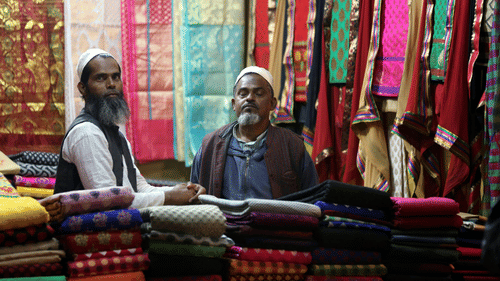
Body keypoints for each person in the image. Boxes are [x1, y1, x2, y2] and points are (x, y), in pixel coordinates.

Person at [54, 48, 205, 208]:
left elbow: (139, 188)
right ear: (83, 88)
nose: (111, 84)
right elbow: (109, 201)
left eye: (116, 77)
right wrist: (168, 197)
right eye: (100, 78)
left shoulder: (116, 135)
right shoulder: (86, 133)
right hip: (81, 230)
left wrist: (185, 191)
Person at [190, 66, 319, 200]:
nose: (250, 98)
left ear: (272, 103)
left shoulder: (292, 146)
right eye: (243, 94)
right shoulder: (211, 145)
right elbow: (193, 196)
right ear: (234, 104)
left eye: (258, 93)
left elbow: (312, 200)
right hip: (222, 221)